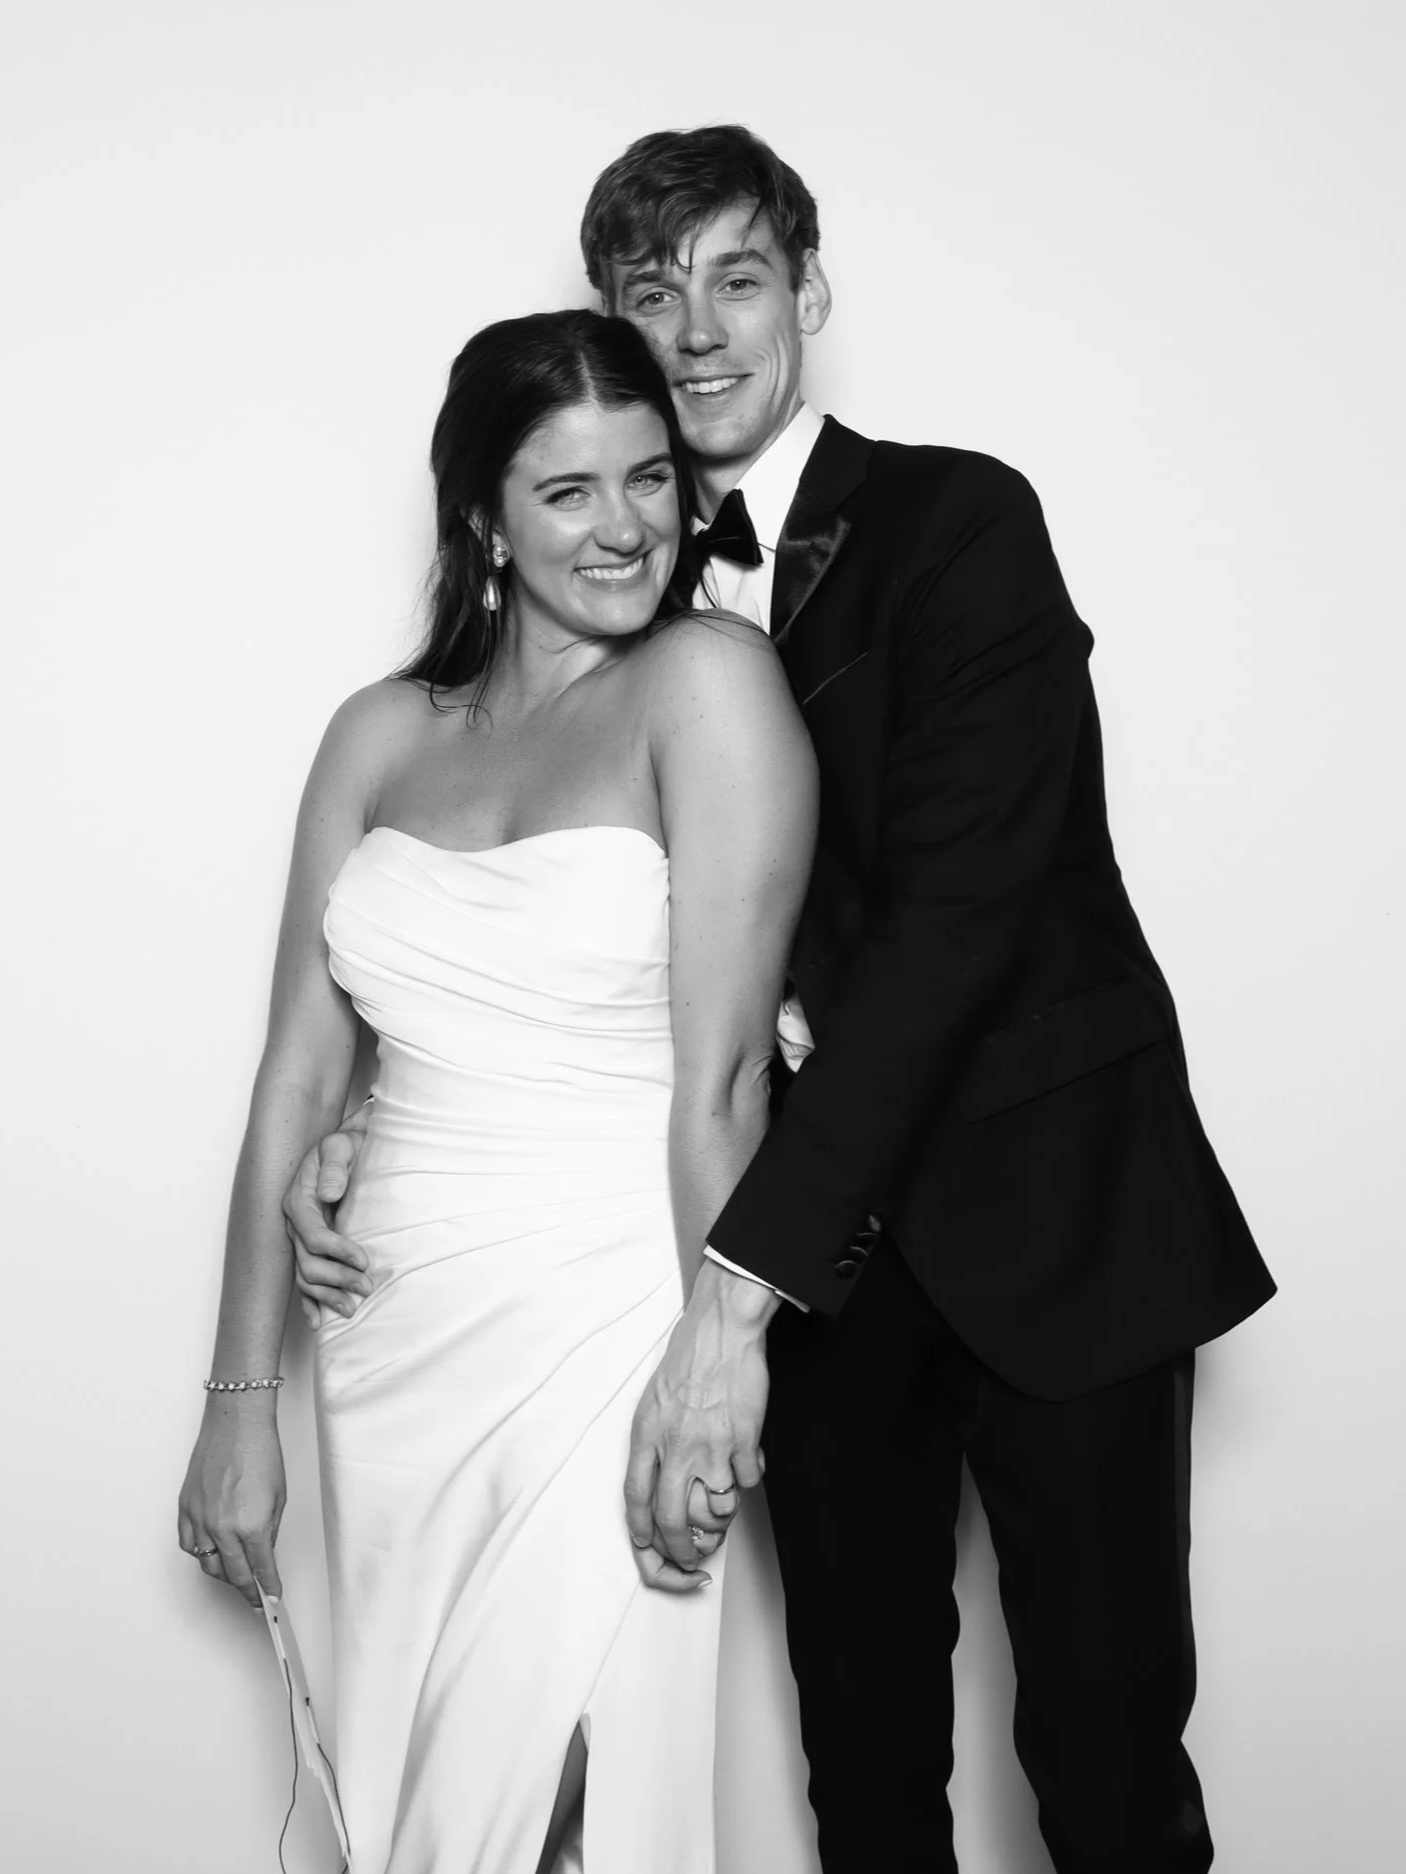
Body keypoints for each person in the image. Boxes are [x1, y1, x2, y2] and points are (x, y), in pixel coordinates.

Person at [289, 127, 1277, 1873]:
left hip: (1047, 1214)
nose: (695, 332)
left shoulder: (961, 518)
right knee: (865, 1766)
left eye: (737, 279)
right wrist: (385, 1105)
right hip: (815, 1252)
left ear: (809, 296)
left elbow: (957, 925)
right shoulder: (616, 576)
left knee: (1109, 1765)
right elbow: (601, 929)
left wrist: (731, 1301)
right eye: (648, 295)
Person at [177, 306, 818, 1874]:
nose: (629, 528)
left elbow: (726, 1073)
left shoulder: (706, 686)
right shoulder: (379, 735)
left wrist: (714, 1363)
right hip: (395, 1344)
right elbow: (299, 1073)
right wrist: (234, 1402)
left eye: (652, 479)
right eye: (570, 491)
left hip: (608, 1314)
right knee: (426, 1804)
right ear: (482, 515)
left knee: (572, 1795)